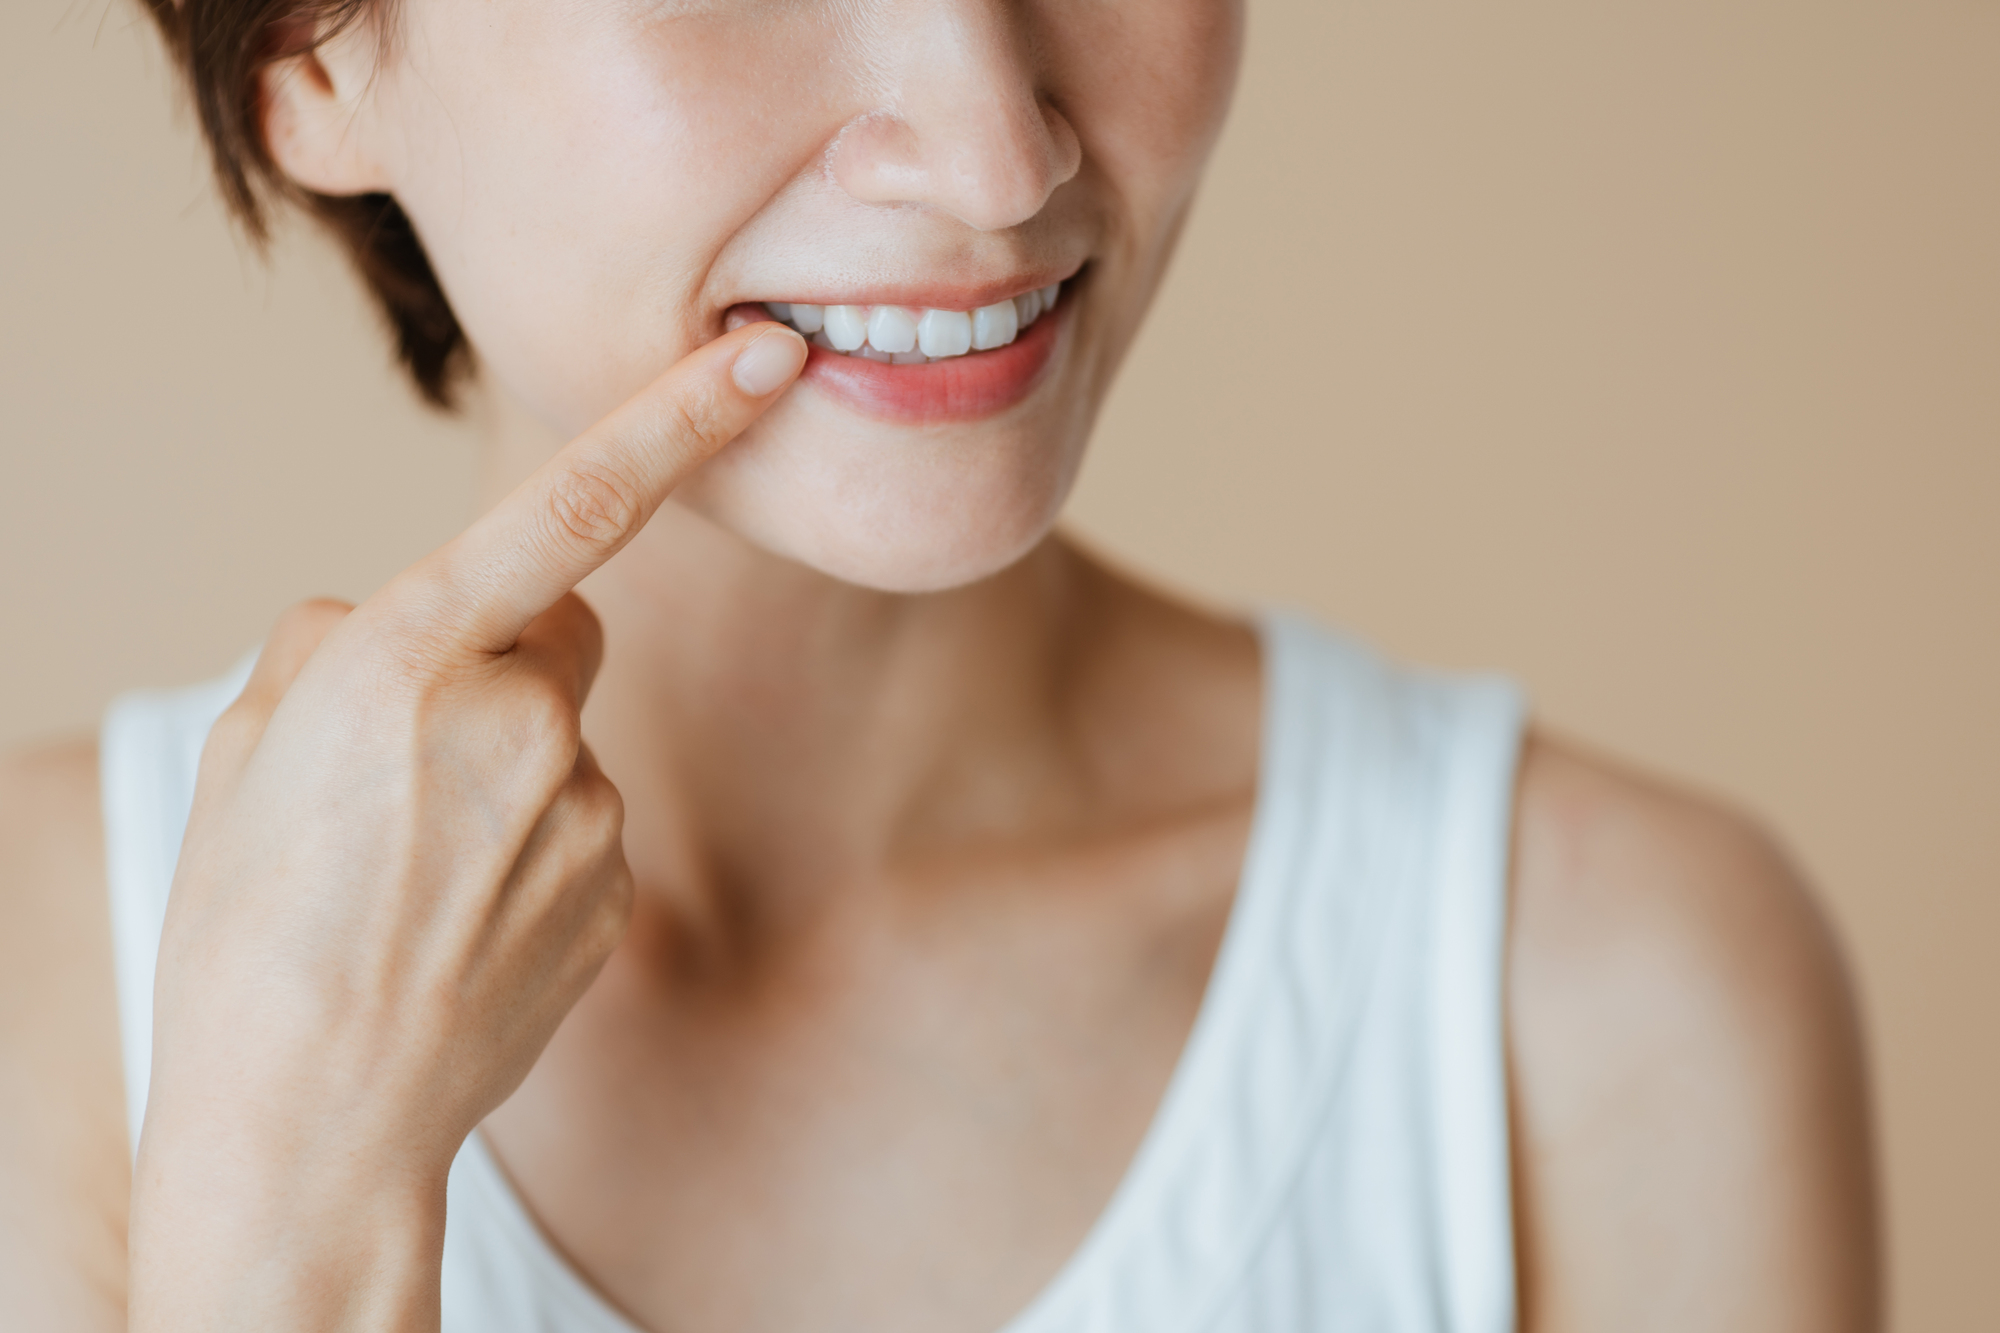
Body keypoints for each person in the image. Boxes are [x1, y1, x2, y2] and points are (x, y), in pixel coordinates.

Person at [0, 0, 1879, 1328]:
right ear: (311, 55)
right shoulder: (40, 1003)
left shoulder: (1606, 1001)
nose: (996, 150)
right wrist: (290, 1224)